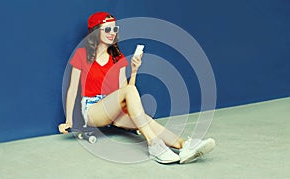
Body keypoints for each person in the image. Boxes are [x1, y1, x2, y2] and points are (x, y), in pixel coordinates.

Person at [58, 12, 215, 164]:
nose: (112, 33)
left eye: (114, 29)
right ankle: (154, 144)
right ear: (95, 31)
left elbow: (126, 91)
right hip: (92, 111)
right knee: (136, 107)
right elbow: (72, 89)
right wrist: (69, 120)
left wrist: (134, 70)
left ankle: (184, 146)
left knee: (145, 119)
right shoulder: (81, 54)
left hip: (113, 110)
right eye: (107, 29)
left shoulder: (117, 57)